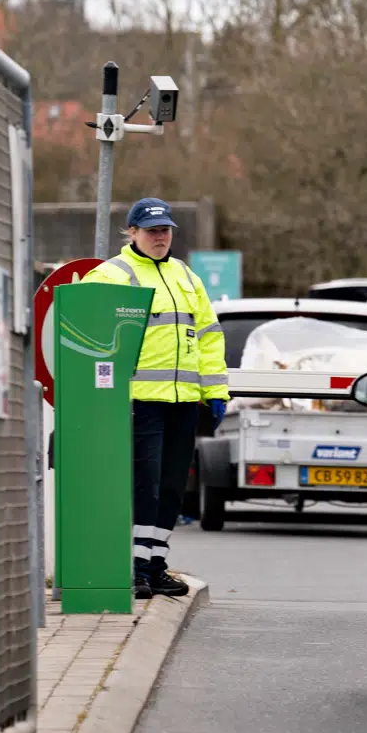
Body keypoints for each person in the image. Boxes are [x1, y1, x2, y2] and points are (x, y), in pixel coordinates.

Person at [83, 197, 229, 599]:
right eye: (151, 231)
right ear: (132, 232)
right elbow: (87, 332)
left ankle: (155, 565)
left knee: (171, 486)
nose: (160, 237)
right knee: (143, 485)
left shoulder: (186, 276)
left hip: (183, 402)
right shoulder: (111, 275)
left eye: (165, 230)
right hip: (139, 401)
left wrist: (216, 391)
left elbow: (209, 336)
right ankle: (133, 568)